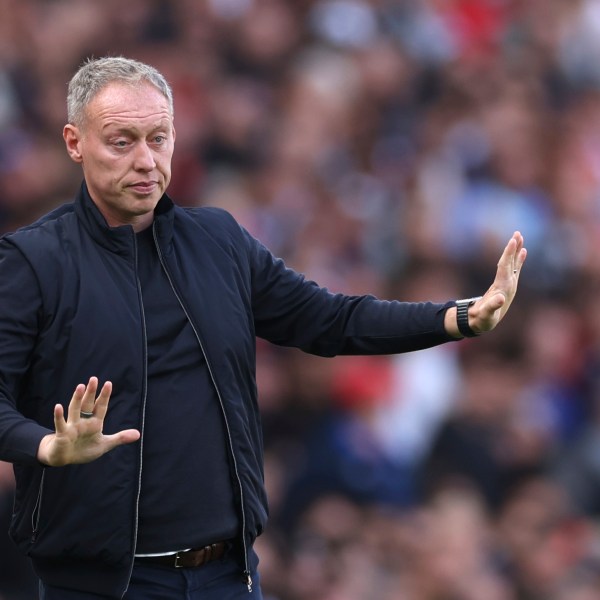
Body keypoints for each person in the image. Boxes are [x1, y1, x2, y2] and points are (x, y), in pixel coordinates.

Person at [0, 56, 526, 600]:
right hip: (101, 585)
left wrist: (456, 317)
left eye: (158, 138)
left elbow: (329, 319)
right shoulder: (31, 262)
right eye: (121, 141)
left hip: (228, 576)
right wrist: (45, 447)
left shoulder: (219, 241)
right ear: (73, 142)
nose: (145, 160)